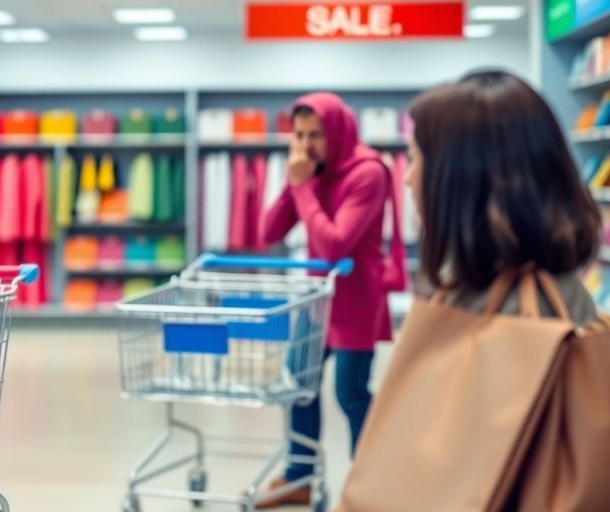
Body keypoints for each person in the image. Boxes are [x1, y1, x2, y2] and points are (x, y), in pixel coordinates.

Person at [256, 93, 405, 508]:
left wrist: (303, 189)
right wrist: (294, 183)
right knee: (298, 385)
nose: (306, 146)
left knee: (350, 393)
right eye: (299, 136)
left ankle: (367, 483)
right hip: (317, 299)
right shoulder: (310, 170)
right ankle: (300, 477)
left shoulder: (368, 172)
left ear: (337, 131)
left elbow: (334, 245)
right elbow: (269, 232)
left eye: (315, 135)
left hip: (356, 298)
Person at [406, 69, 599, 322]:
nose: (407, 178)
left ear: (462, 177)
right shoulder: (557, 291)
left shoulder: (509, 309)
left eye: (415, 159)